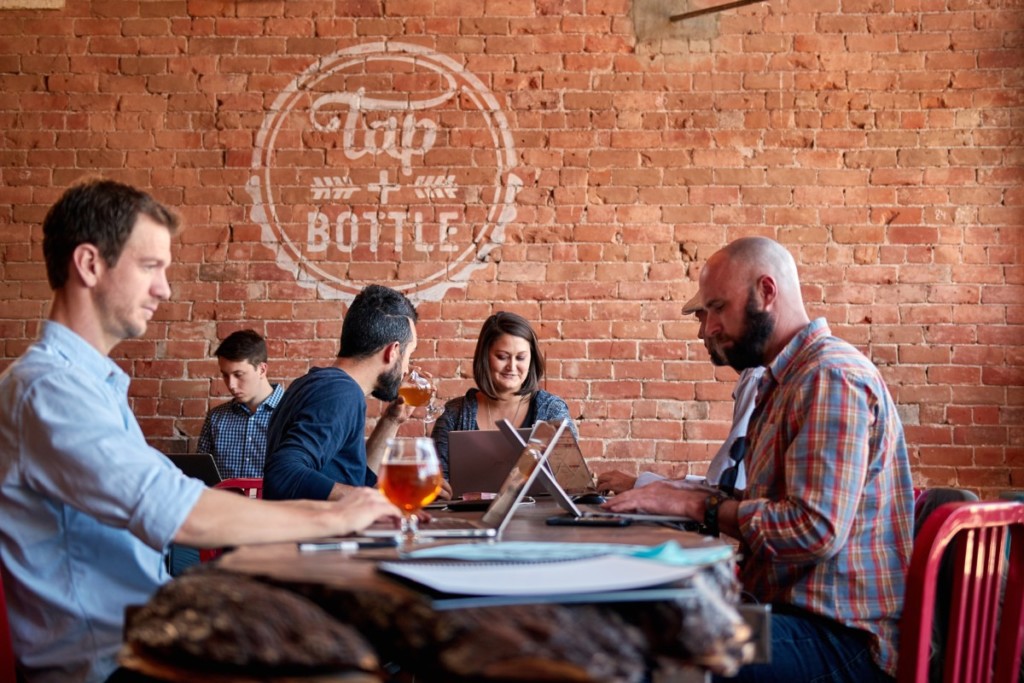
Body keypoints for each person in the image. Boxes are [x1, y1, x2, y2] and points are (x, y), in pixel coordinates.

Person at [0, 179, 399, 683]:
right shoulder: (49, 390)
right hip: (108, 665)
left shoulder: (84, 383)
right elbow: (180, 512)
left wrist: (341, 510)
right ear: (90, 264)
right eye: (150, 267)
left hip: (145, 633)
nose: (164, 289)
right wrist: (339, 517)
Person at [604, 236, 915, 682]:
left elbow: (814, 530)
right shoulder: (786, 379)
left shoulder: (830, 377)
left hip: (842, 641)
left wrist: (696, 506)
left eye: (716, 308)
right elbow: (775, 503)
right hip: (794, 618)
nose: (707, 327)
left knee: (650, 644)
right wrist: (671, 493)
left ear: (767, 292)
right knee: (636, 616)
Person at [263, 284, 452, 501]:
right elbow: (282, 475)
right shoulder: (341, 393)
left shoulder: (315, 384)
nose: (408, 368)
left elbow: (358, 483)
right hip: (314, 534)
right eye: (409, 354)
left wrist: (393, 419)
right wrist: (382, 498)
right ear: (393, 351)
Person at [597, 293, 763, 495]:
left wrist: (639, 486)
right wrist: (641, 485)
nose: (702, 334)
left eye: (705, 321)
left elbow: (721, 491)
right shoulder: (752, 377)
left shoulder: (756, 378)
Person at [430, 311, 576, 479]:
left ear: (531, 360)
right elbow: (437, 480)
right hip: (471, 507)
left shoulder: (552, 412)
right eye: (502, 357)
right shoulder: (453, 415)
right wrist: (440, 488)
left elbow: (571, 479)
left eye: (521, 358)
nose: (512, 367)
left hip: (542, 506)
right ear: (484, 357)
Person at [197, 329, 284, 478]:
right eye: (225, 375)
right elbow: (200, 476)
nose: (231, 385)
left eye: (238, 375)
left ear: (262, 370)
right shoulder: (216, 418)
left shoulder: (293, 414)